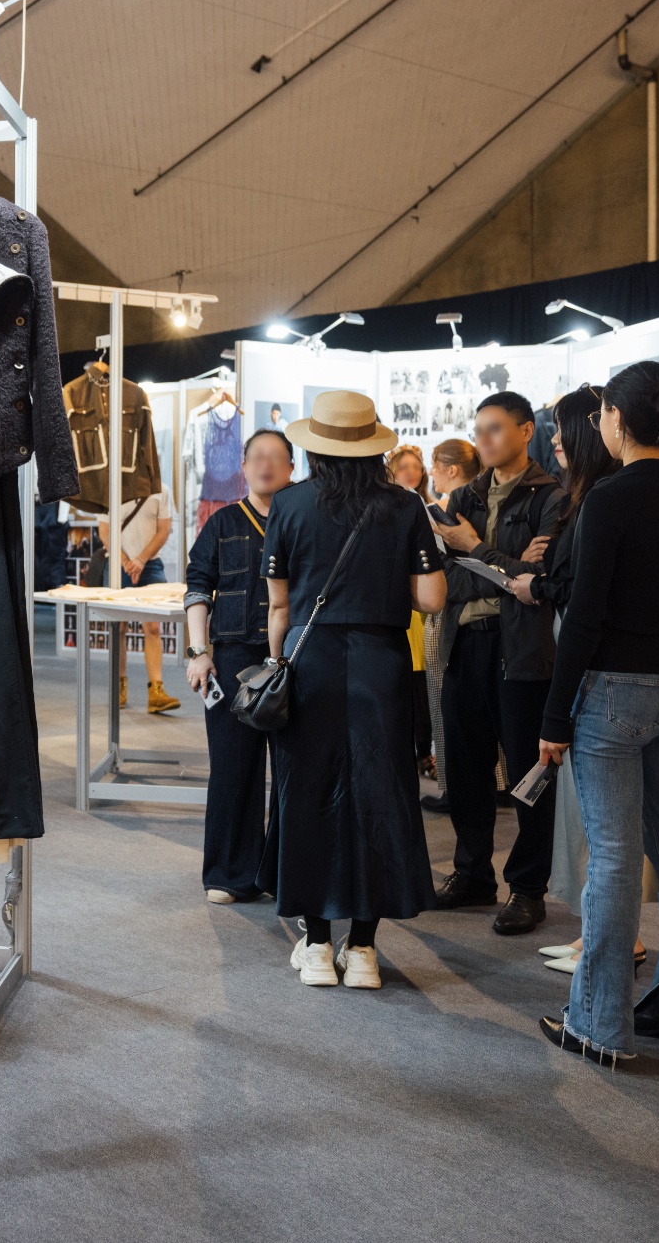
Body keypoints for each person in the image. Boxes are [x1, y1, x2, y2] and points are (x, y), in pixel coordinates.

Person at [535, 362, 659, 1065]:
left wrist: (555, 717)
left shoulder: (609, 498)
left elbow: (584, 617)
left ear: (617, 417)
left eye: (605, 412)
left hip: (612, 693)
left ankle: (599, 1023)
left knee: (611, 859)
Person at [263, 392, 446, 990]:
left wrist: (277, 663)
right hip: (381, 663)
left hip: (309, 661)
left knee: (307, 793)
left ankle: (317, 946)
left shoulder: (287, 505)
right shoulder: (405, 506)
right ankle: (363, 949)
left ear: (313, 446)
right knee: (379, 794)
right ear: (374, 447)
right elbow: (431, 599)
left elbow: (280, 607)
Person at [507, 386, 648, 978]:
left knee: (607, 830)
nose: (555, 440)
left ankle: (612, 947)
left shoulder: (602, 502)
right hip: (598, 672)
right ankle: (601, 935)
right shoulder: (585, 497)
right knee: (600, 825)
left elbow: (586, 600)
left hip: (599, 678)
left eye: (563, 428)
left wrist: (538, 583)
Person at [429, 391, 564, 935]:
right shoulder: (461, 495)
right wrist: (508, 567)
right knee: (464, 767)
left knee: (529, 777)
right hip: (464, 643)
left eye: (495, 429)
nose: (483, 439)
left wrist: (475, 548)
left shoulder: (551, 498)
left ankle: (528, 890)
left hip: (523, 651)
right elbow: (446, 579)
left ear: (526, 431)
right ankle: (472, 873)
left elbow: (544, 584)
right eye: (478, 429)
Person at [182, 429, 293, 904]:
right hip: (232, 659)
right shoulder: (223, 522)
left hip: (293, 659)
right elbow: (196, 587)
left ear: (292, 468)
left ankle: (285, 873)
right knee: (232, 768)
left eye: (277, 457)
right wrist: (197, 652)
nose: (266, 465)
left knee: (293, 770)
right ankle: (229, 873)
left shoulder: (302, 520)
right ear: (244, 467)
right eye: (258, 457)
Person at [419, 438, 481, 810]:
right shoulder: (481, 503)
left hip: (445, 612)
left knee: (444, 704)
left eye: (434, 464)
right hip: (475, 613)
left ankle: (452, 786)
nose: (430, 472)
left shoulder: (442, 511)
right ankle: (489, 783)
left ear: (452, 469)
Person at [97, 487, 179, 714]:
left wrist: (141, 560)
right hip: (117, 564)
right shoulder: (112, 487)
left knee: (153, 626)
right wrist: (125, 561)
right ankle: (119, 686)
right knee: (118, 626)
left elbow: (164, 530)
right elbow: (104, 531)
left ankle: (156, 691)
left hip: (150, 563)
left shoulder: (161, 490)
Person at [386, 446, 433, 777]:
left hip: (427, 611)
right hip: (401, 609)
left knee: (424, 692)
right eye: (403, 467)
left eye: (416, 467)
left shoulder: (430, 508)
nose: (411, 472)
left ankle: (425, 754)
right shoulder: (390, 509)